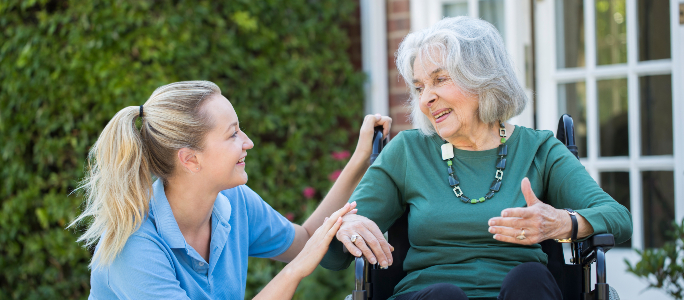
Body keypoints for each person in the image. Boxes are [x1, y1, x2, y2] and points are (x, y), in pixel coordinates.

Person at [320, 16, 632, 300]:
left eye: (440, 79)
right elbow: (333, 257)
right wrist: (345, 226)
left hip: (524, 293)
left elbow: (618, 218)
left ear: (482, 78)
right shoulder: (407, 151)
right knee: (444, 297)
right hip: (429, 295)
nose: (426, 98)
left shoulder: (538, 149)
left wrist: (564, 223)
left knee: (531, 280)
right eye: (419, 87)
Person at [70, 81, 392, 299]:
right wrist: (296, 270)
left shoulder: (232, 201)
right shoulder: (134, 247)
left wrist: (360, 158)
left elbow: (305, 241)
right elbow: (302, 256)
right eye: (233, 134)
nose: (248, 142)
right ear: (190, 160)